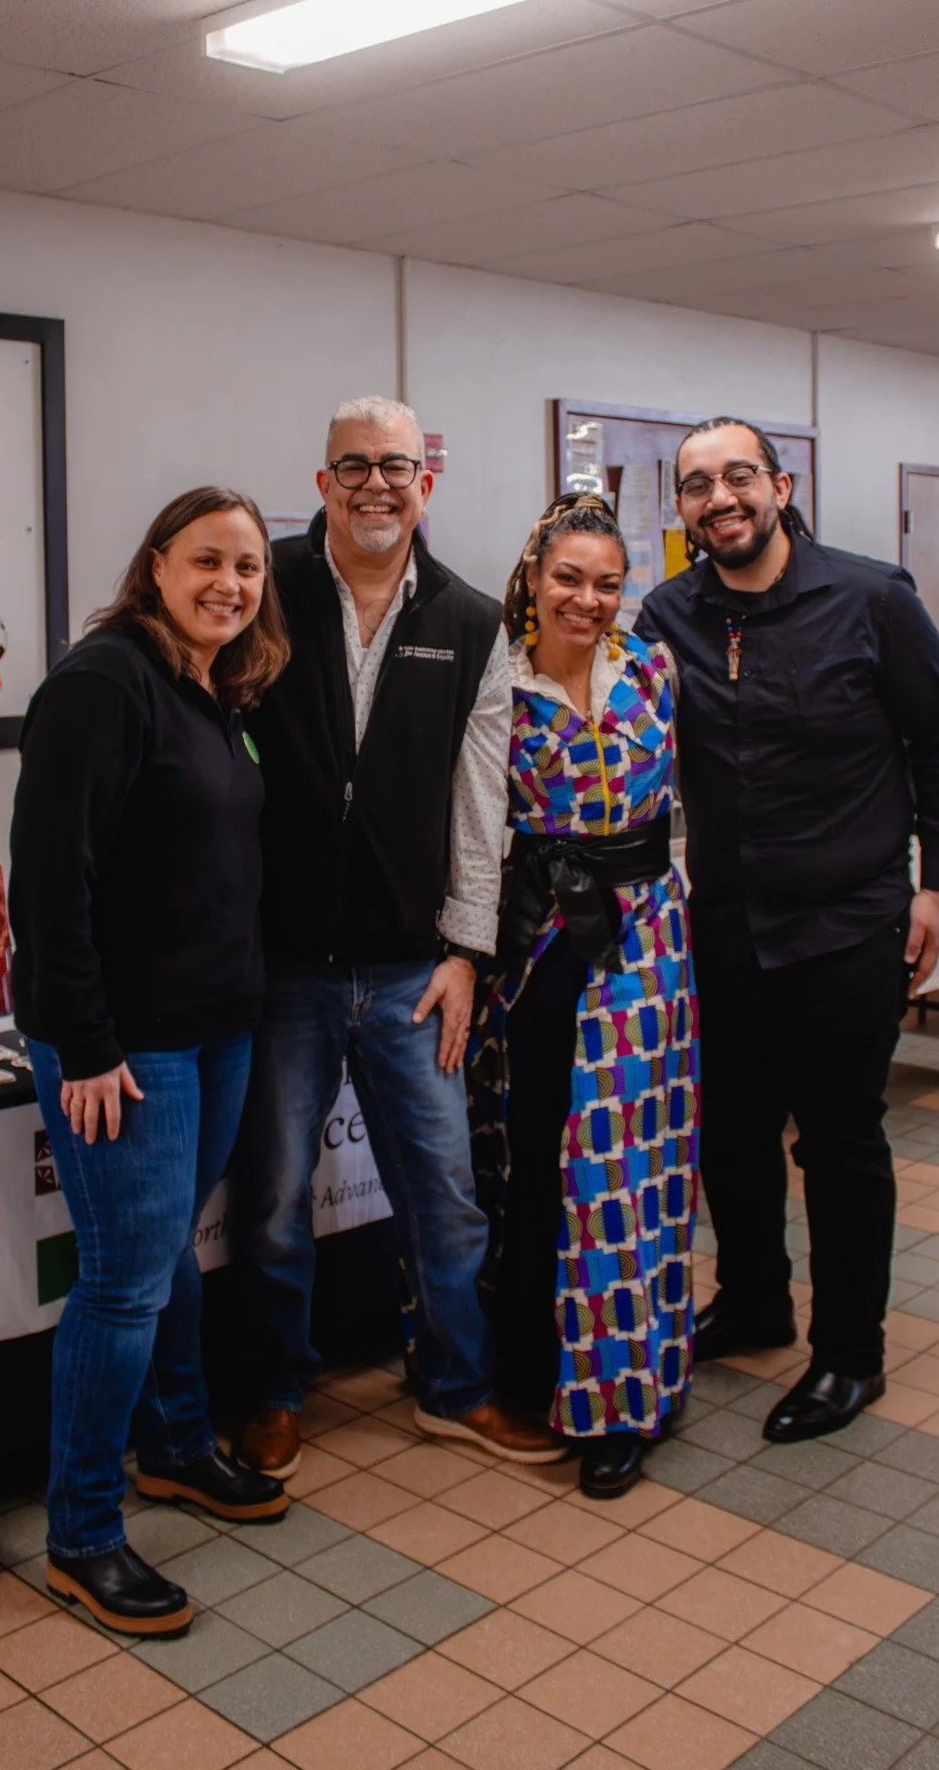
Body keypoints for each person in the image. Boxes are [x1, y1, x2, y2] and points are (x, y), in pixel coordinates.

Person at [231, 396, 563, 1479]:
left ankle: (457, 1388)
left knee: (444, 1195)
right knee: (273, 1201)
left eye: (396, 466)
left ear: (429, 480)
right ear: (321, 481)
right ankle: (274, 1391)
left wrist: (465, 953)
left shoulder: (470, 623)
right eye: (355, 465)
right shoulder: (264, 593)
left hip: (413, 969)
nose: (376, 484)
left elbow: (481, 805)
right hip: (284, 966)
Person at [636, 417, 939, 1443]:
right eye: (697, 485)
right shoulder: (667, 615)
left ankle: (849, 1355)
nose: (720, 498)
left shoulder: (873, 599)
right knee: (730, 1134)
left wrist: (935, 887)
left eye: (739, 476)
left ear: (780, 488)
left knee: (839, 1142)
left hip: (847, 924)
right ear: (682, 508)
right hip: (723, 927)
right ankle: (753, 1302)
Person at [8, 486, 292, 1639]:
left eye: (250, 568)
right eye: (208, 560)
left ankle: (174, 1446)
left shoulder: (211, 689)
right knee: (124, 1282)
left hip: (217, 1027)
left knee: (171, 1248)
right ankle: (80, 1536)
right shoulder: (103, 681)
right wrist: (83, 1041)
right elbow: (48, 879)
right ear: (157, 564)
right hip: (126, 1047)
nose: (231, 583)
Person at [470, 494, 697, 1500]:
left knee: (630, 1164)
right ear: (533, 577)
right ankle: (530, 1375)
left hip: (647, 947)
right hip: (538, 945)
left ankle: (626, 1399)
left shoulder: (651, 670)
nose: (588, 599)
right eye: (568, 578)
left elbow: (692, 800)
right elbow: (471, 826)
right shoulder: (496, 683)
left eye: (608, 583)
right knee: (534, 1161)